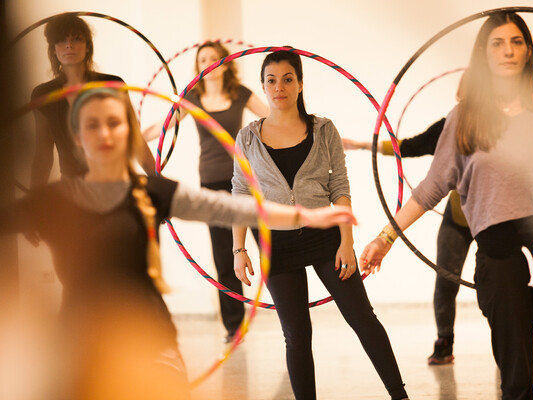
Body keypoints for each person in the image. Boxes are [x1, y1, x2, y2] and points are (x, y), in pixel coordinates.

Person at [0, 88, 355, 399]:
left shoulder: (152, 191)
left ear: (129, 132)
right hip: (80, 348)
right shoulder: (52, 201)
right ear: (76, 135)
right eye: (93, 125)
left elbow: (229, 206)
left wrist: (307, 217)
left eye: (114, 122)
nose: (105, 133)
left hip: (153, 344)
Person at [361, 11, 533, 399]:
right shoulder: (464, 118)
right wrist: (384, 237)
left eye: (517, 41)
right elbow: (430, 187)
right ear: (484, 54)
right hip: (500, 252)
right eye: (498, 43)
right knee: (517, 379)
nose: (508, 51)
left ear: (528, 52)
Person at [232, 50, 409, 400]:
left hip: (326, 239)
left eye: (287, 79)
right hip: (276, 246)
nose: (279, 87)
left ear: (300, 83)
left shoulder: (324, 130)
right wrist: (239, 249)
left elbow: (340, 189)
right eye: (271, 80)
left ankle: (399, 395)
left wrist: (347, 242)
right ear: (263, 86)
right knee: (296, 335)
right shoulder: (248, 138)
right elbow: (240, 194)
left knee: (362, 318)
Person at [143, 41, 269, 342]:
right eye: (203, 60)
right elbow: (163, 127)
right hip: (212, 183)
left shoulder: (240, 93)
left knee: (270, 245)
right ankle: (234, 327)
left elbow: (272, 120)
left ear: (225, 63)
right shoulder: (193, 97)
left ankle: (286, 305)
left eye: (214, 58)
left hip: (247, 181)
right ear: (198, 67)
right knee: (225, 257)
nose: (209, 63)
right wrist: (132, 136)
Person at [343, 118, 473, 365]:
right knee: (446, 279)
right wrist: (360, 145)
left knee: (498, 288)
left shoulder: (514, 125)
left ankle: (507, 344)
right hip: (459, 215)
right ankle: (444, 341)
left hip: (499, 221)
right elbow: (410, 146)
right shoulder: (454, 123)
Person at [30, 13, 155, 190]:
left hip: (114, 184)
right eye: (61, 40)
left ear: (88, 46)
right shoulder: (43, 94)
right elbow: (43, 154)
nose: (69, 45)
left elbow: (133, 138)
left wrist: (158, 182)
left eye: (76, 39)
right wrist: (33, 202)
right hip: (72, 191)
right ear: (53, 49)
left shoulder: (113, 86)